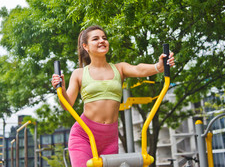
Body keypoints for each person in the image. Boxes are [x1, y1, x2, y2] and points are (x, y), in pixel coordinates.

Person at [52, 25, 174, 166]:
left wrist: (158, 67)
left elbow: (138, 69)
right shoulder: (79, 74)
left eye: (104, 38)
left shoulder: (119, 68)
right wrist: (62, 88)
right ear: (85, 46)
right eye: (96, 39)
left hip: (109, 138)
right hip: (84, 135)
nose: (102, 41)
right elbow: (67, 105)